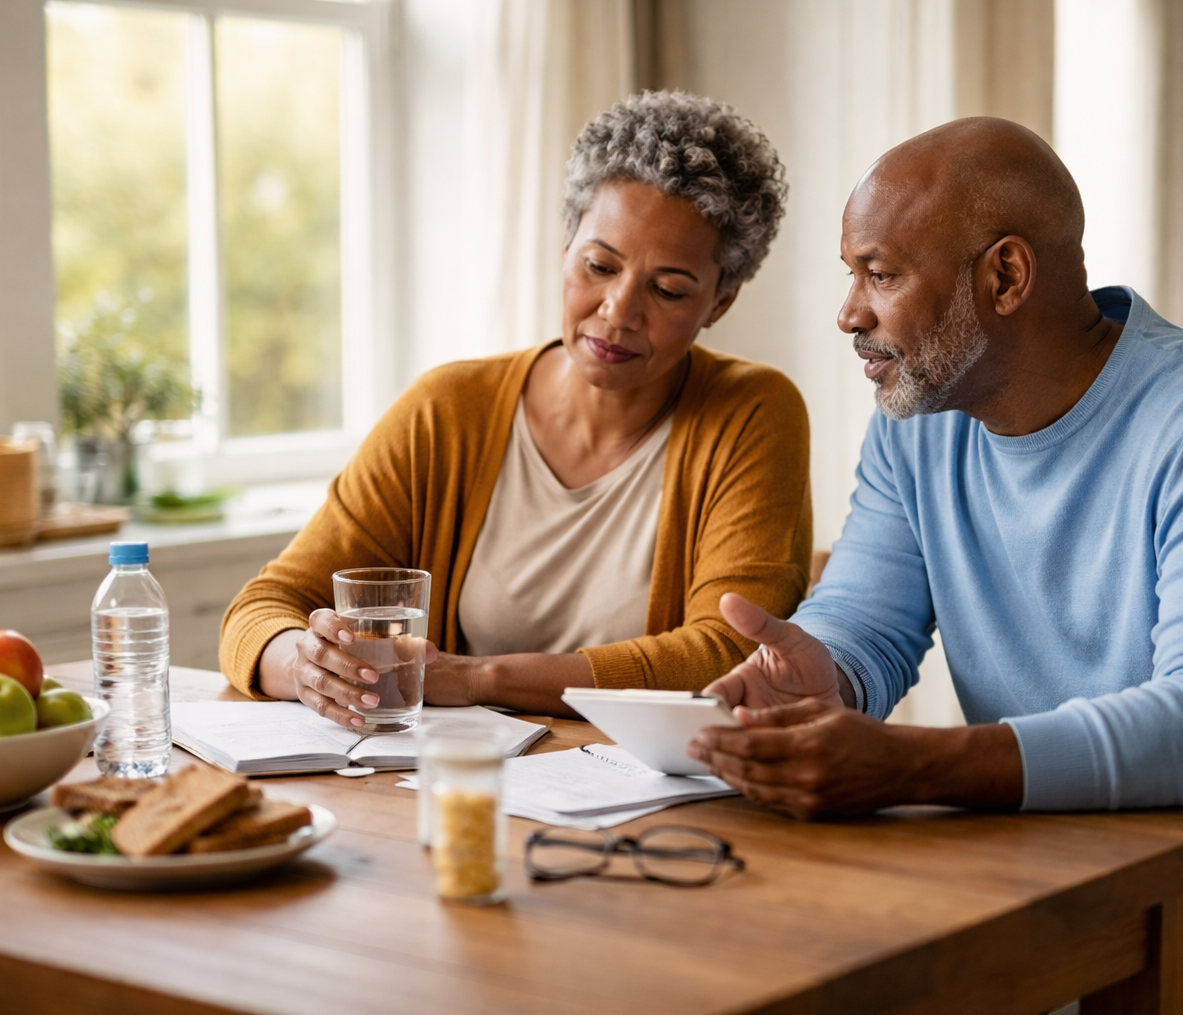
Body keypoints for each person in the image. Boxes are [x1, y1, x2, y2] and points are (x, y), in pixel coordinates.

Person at [686, 117, 1183, 1015]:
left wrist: (913, 767)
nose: (849, 312)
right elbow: (865, 621)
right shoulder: (918, 420)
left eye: (881, 273)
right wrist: (818, 673)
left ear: (1006, 277)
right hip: (1043, 870)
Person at [219, 91, 811, 723]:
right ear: (565, 245)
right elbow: (263, 608)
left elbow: (728, 654)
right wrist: (305, 664)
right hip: (457, 784)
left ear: (720, 302)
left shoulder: (752, 412)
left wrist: (476, 679)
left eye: (667, 290)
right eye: (599, 265)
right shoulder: (447, 411)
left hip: (650, 798)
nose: (618, 313)